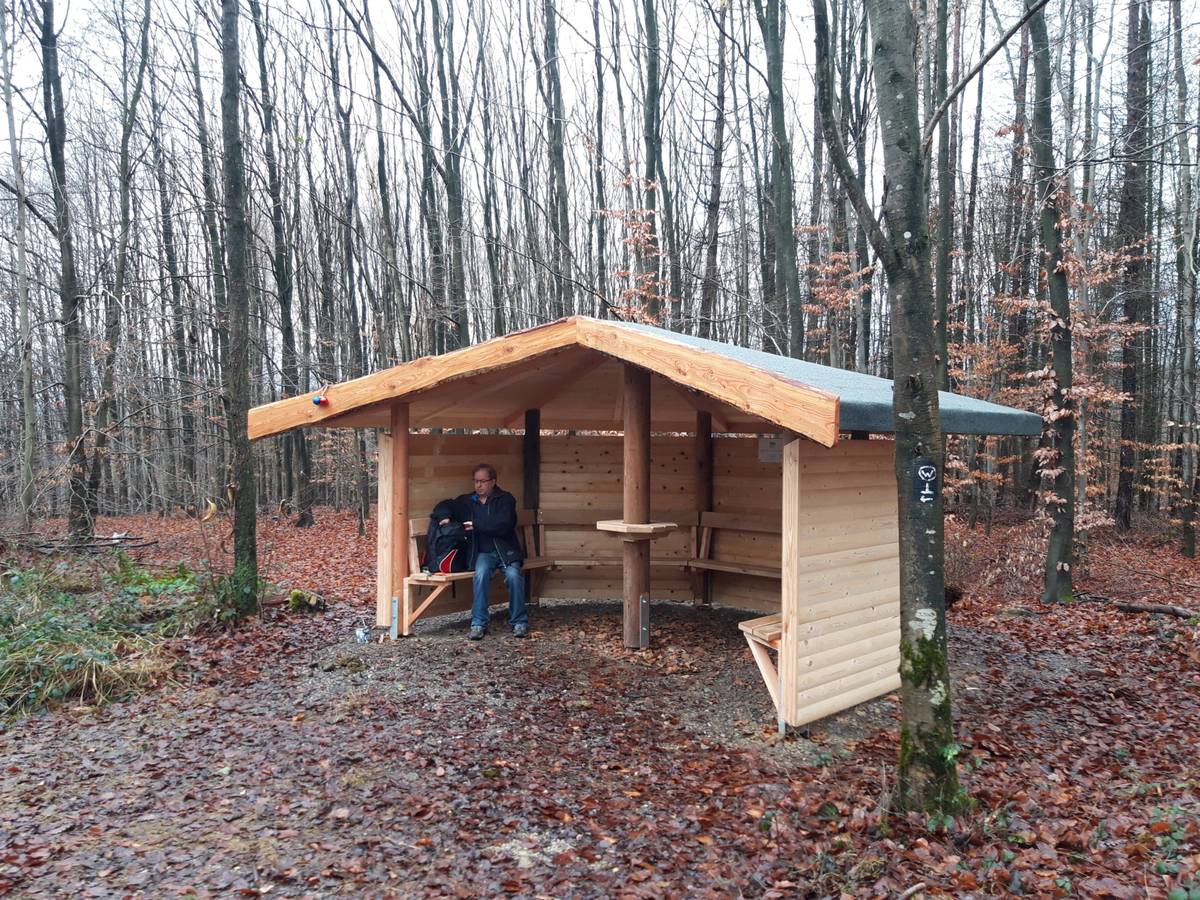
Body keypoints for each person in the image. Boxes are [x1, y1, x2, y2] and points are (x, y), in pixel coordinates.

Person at [449, 463, 527, 640]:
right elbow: (447, 505)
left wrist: (477, 525)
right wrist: (443, 516)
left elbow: (504, 525)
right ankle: (478, 624)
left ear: (493, 481)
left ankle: (519, 622)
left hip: (506, 551)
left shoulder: (506, 499)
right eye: (475, 481)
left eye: (482, 481)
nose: (478, 485)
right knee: (481, 574)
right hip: (483, 553)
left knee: (514, 576)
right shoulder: (467, 501)